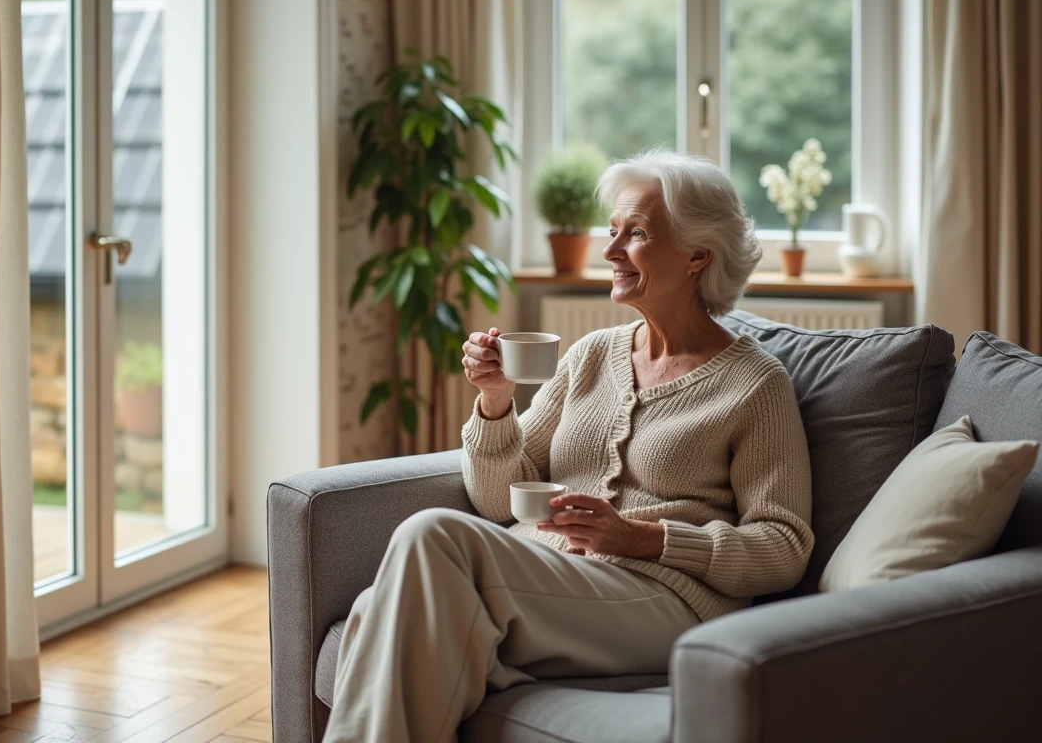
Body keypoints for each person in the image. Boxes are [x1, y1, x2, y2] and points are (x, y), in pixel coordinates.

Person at [323, 150, 814, 743]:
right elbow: (497, 501)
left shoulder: (755, 385)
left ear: (697, 255)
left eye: (635, 234)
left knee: (431, 535)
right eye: (611, 231)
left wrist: (643, 537)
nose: (608, 251)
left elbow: (783, 547)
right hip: (551, 578)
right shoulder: (592, 355)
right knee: (382, 608)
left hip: (664, 600)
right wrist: (497, 401)